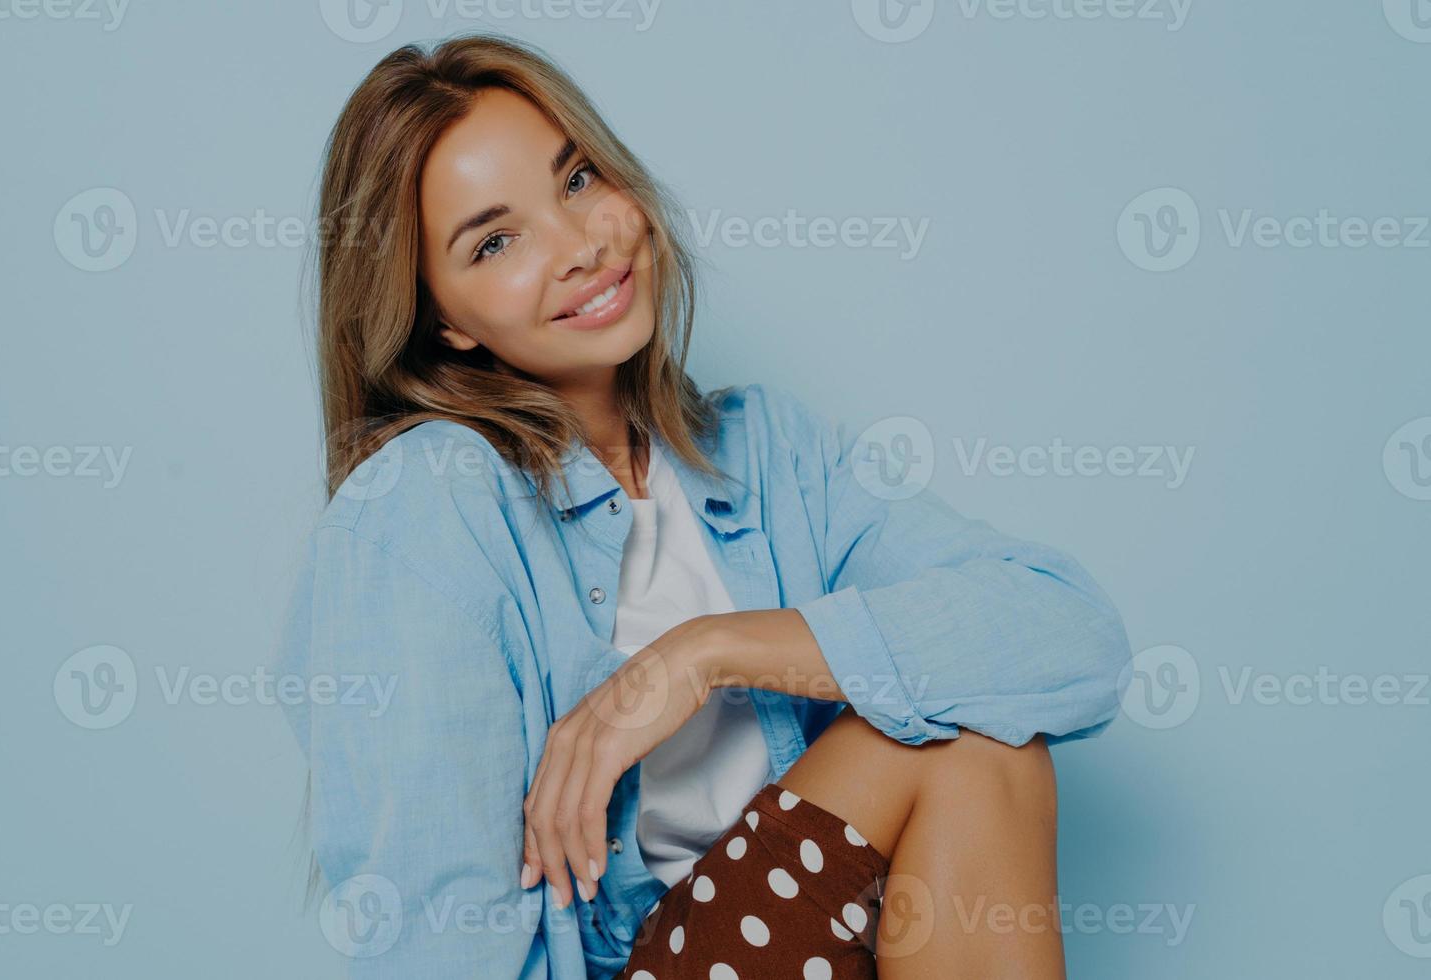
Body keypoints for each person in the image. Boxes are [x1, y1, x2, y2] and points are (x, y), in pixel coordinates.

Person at [273, 31, 1132, 980]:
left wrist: (707, 654)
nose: (580, 246)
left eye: (577, 180)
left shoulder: (768, 452)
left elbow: (1071, 635)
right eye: (496, 240)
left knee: (979, 730)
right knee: (959, 741)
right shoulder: (426, 501)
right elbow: (434, 933)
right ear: (442, 318)